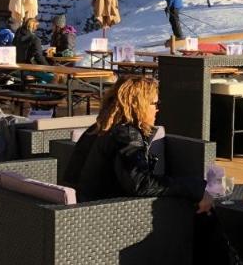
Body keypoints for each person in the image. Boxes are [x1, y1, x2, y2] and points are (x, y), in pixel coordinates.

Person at [64, 76, 212, 210]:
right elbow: (140, 184)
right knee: (198, 209)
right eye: (154, 103)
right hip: (108, 214)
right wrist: (196, 188)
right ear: (139, 105)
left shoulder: (98, 128)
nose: (157, 109)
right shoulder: (126, 134)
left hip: (83, 210)